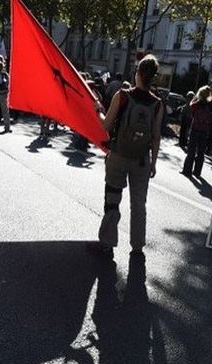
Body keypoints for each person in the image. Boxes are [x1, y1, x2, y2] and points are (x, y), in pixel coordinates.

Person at [91, 55, 163, 259]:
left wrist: (98, 111)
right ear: (153, 77)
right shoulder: (158, 104)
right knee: (139, 204)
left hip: (119, 156)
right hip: (141, 160)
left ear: (137, 73)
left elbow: (106, 125)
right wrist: (154, 163)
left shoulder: (122, 96)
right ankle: (138, 246)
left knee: (113, 199)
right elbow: (156, 137)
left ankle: (108, 242)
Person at [181, 85, 212, 177]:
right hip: (204, 130)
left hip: (195, 129)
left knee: (191, 150)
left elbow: (191, 104)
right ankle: (197, 172)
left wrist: (196, 96)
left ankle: (187, 170)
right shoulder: (210, 105)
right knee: (201, 152)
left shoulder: (196, 104)